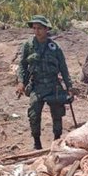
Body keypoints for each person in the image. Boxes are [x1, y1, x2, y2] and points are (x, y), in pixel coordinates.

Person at [18, 16, 73, 151]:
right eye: (34, 28)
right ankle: (37, 143)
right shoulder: (28, 46)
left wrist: (69, 87)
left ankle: (57, 141)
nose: (37, 31)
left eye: (40, 28)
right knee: (33, 114)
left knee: (57, 114)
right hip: (36, 85)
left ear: (47, 29)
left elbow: (64, 68)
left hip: (53, 85)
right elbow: (22, 65)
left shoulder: (55, 47)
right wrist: (20, 82)